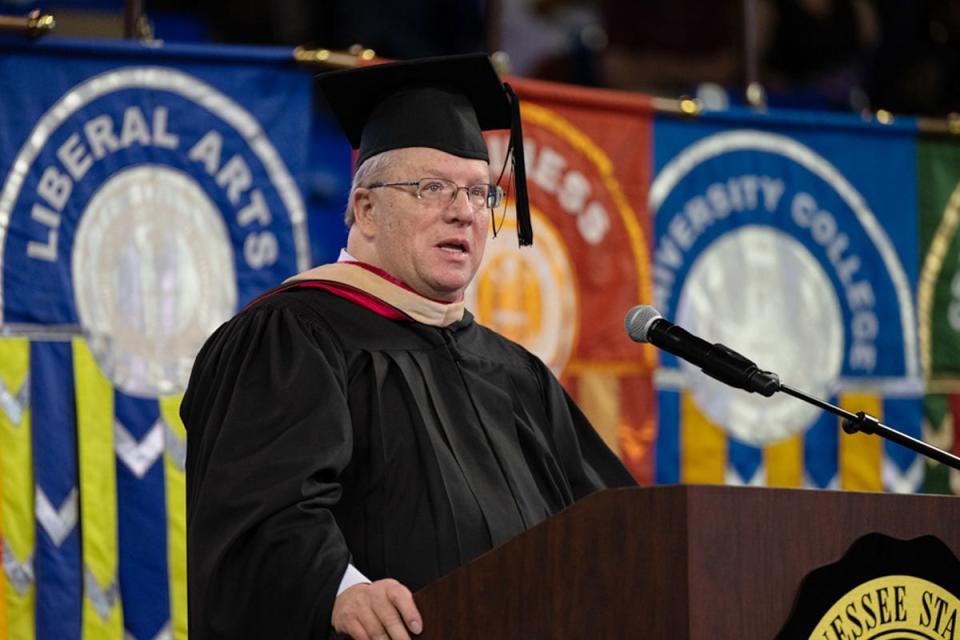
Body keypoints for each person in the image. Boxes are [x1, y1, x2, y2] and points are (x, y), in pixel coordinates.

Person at [182, 54, 636, 640]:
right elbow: (259, 515)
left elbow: (610, 525)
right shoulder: (293, 336)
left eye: (478, 193)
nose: (463, 212)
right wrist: (341, 590)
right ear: (365, 209)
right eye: (432, 188)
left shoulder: (513, 372)